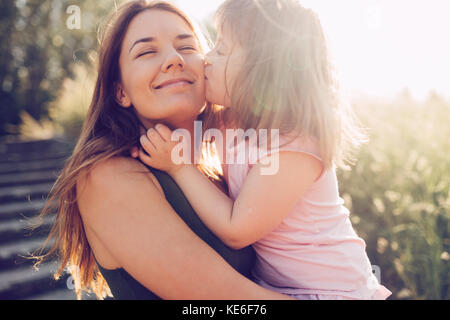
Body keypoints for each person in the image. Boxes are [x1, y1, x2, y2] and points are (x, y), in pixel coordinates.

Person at [32, 0, 292, 300]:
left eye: (187, 47)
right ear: (121, 92)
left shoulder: (221, 172)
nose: (173, 59)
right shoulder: (107, 177)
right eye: (145, 52)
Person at [137, 0, 392, 300]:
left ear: (261, 73)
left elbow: (237, 230)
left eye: (221, 50)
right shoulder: (230, 122)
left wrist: (178, 167)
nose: (206, 58)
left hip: (336, 292)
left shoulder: (294, 146)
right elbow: (181, 130)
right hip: (282, 291)